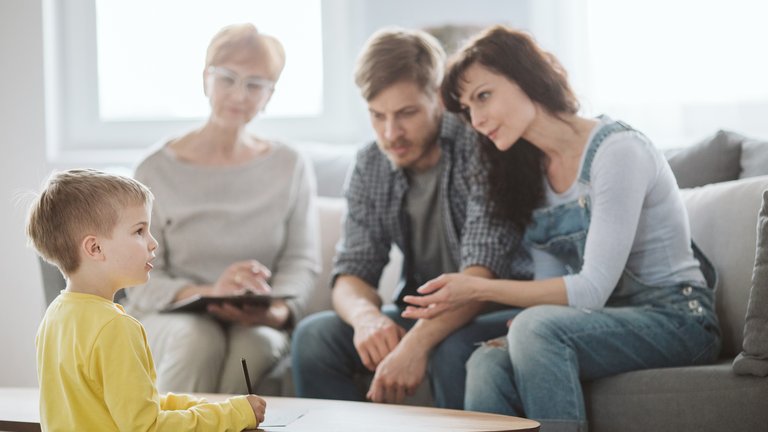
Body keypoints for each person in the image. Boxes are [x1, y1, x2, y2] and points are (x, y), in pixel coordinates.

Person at [403, 25, 721, 430]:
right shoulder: (527, 175)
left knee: (535, 328)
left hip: (679, 319)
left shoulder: (617, 150)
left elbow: (592, 288)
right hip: (601, 321)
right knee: (486, 359)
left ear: (526, 77)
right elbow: (551, 288)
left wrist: (478, 288)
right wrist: (529, 323)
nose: (477, 120)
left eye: (483, 96)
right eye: (467, 109)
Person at [290, 27, 531, 409]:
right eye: (377, 115)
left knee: (454, 349)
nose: (391, 133)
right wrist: (367, 319)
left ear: (438, 97)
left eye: (406, 113)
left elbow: (482, 275)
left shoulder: (480, 144)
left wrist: (416, 344)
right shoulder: (372, 162)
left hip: (494, 308)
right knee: (314, 337)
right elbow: (352, 271)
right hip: (424, 312)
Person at [123, 23, 320, 394]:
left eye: (255, 84)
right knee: (198, 338)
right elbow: (139, 275)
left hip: (255, 322)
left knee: (254, 346)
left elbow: (301, 261)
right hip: (169, 316)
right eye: (227, 78)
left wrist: (277, 312)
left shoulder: (290, 165)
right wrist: (209, 290)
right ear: (205, 79)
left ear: (270, 95)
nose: (239, 94)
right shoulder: (154, 169)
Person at [27, 169, 266, 431]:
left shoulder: (54, 318)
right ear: (95, 248)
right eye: (139, 231)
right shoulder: (115, 328)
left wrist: (212, 408)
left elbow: (134, 404)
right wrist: (233, 415)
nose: (153, 244)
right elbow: (148, 427)